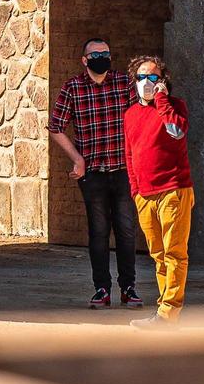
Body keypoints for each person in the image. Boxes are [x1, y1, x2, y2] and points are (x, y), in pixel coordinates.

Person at [49, 36, 139, 309]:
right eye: (96, 54)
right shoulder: (73, 88)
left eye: (106, 53)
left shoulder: (125, 84)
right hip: (93, 174)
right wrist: (77, 159)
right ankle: (101, 288)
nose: (102, 57)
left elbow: (141, 120)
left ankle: (129, 287)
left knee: (126, 230)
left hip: (124, 170)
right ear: (85, 60)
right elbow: (55, 127)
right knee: (98, 231)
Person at [124, 55, 192, 326]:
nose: (146, 82)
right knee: (158, 254)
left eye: (153, 77)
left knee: (175, 252)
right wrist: (135, 190)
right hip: (145, 194)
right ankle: (165, 306)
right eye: (141, 77)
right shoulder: (130, 114)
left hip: (173, 189)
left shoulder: (175, 107)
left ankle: (168, 311)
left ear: (163, 81)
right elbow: (129, 155)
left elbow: (176, 130)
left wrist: (162, 99)